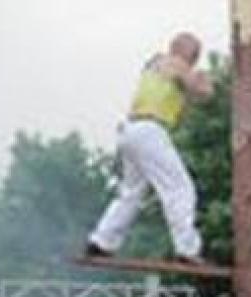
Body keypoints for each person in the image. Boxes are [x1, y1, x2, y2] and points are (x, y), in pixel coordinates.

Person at [86, 32, 214, 265]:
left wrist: (194, 89)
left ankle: (101, 241)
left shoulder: (157, 66)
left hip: (131, 130)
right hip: (150, 131)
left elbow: (187, 100)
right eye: (195, 55)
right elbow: (204, 91)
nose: (195, 61)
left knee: (131, 193)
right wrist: (203, 80)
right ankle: (187, 249)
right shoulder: (174, 62)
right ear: (186, 52)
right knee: (180, 188)